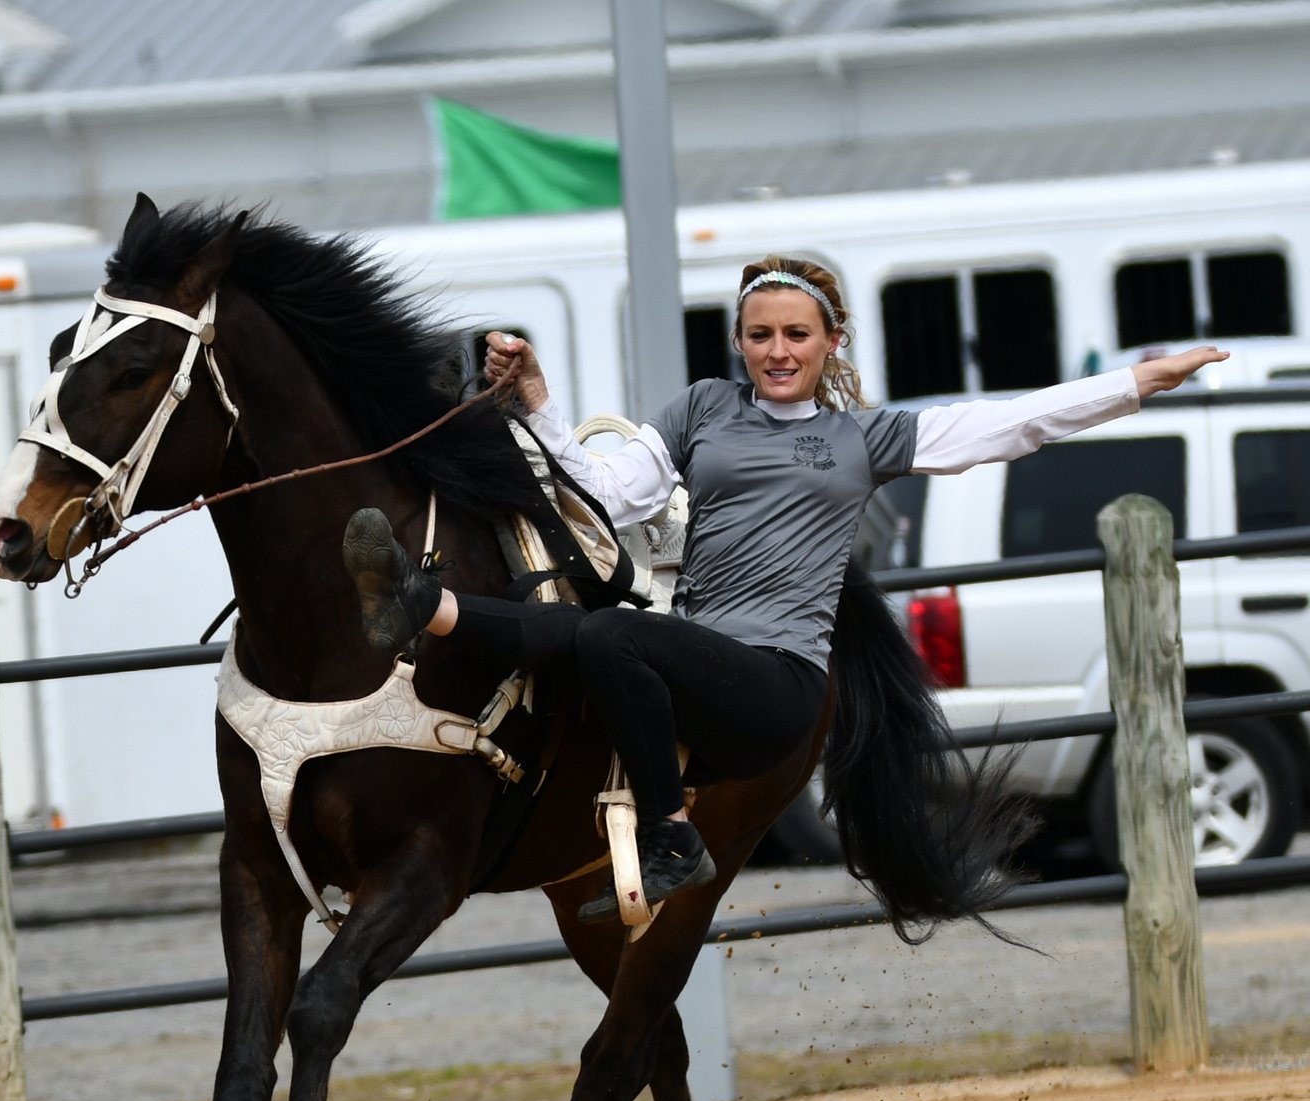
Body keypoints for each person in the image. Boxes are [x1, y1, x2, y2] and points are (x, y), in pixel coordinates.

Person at [343, 254, 1227, 922]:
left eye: (796, 335)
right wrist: (537, 402)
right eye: (760, 334)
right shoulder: (702, 410)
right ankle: (421, 608)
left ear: (830, 343)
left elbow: (1013, 423)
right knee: (601, 626)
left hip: (776, 685)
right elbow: (605, 500)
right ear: (739, 341)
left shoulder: (864, 437)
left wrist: (1136, 384)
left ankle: (666, 839)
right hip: (698, 665)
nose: (776, 351)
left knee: (613, 634)